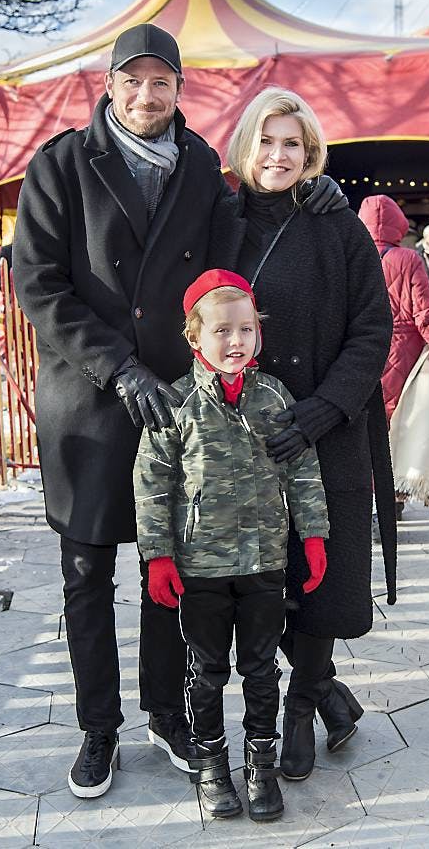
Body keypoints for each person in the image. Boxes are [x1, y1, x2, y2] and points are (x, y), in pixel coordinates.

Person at [12, 24, 345, 798]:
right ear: (110, 84)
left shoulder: (200, 165)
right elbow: (37, 283)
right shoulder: (62, 163)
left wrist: (312, 193)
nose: (147, 93)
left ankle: (166, 712)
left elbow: (245, 235)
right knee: (88, 569)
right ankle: (99, 726)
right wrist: (116, 366)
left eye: (161, 81)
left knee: (175, 569)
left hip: (177, 401)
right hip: (90, 398)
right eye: (134, 79)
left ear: (179, 89)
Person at [214, 87, 397, 783]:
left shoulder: (338, 225)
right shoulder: (220, 220)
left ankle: (299, 707)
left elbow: (371, 330)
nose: (277, 155)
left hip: (324, 433)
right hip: (244, 440)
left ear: (310, 150)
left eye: (291, 142)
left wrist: (324, 410)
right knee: (260, 578)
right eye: (265, 140)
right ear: (244, 147)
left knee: (318, 573)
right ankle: (328, 692)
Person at [134, 269, 330, 821]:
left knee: (262, 667)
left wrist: (313, 535)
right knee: (208, 669)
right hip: (201, 567)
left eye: (246, 329)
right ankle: (213, 765)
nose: (236, 341)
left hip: (264, 561)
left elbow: (303, 470)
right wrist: (160, 556)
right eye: (222, 331)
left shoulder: (273, 397)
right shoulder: (175, 404)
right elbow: (152, 482)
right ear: (194, 337)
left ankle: (260, 764)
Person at [360, 195, 429, 513]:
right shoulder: (408, 258)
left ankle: (371, 501)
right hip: (404, 353)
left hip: (360, 350)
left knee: (366, 428)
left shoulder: (351, 255)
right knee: (399, 427)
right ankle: (392, 498)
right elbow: (426, 313)